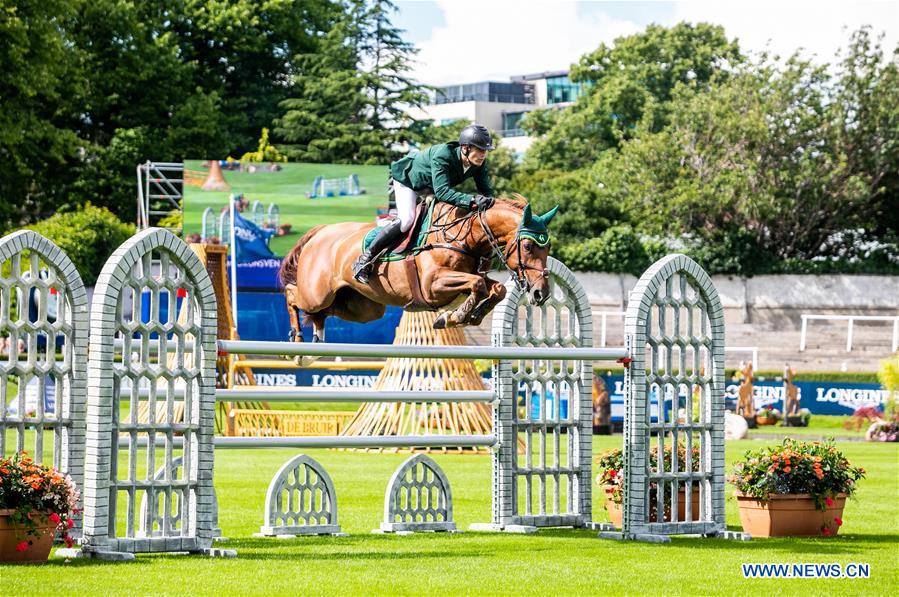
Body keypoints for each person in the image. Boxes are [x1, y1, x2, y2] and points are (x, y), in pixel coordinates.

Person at [352, 124, 497, 284]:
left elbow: (487, 191)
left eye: (486, 151)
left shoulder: (478, 163)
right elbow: (442, 192)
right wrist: (471, 200)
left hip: (429, 187)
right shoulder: (444, 155)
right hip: (408, 180)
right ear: (465, 148)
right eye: (481, 150)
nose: (484, 154)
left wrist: (492, 205)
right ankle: (365, 259)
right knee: (407, 220)